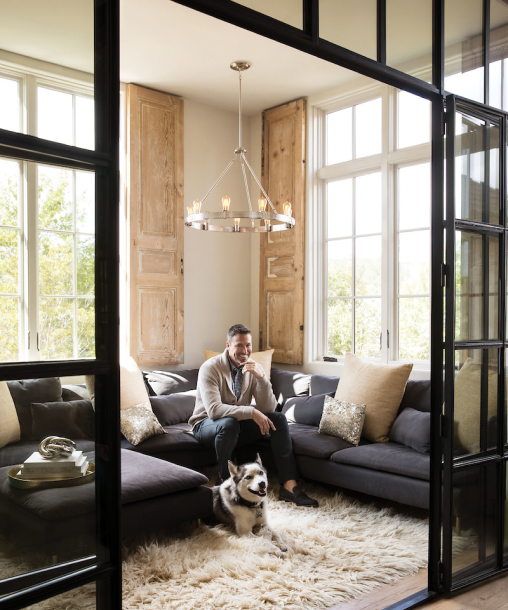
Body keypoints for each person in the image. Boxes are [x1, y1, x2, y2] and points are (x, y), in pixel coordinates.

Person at [189, 324, 318, 507]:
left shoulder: (254, 367)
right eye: (239, 345)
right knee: (229, 424)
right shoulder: (210, 368)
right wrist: (250, 411)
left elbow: (269, 408)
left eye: (248, 345)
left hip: (236, 425)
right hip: (206, 425)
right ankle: (225, 484)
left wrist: (261, 379)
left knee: (278, 419)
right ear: (228, 345)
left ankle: (289, 487)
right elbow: (214, 410)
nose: (245, 351)